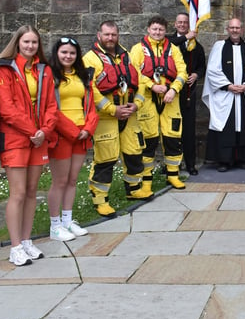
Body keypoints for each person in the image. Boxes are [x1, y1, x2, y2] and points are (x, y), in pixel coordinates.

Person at [0, 25, 58, 266]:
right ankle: (15, 246)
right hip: (15, 138)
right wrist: (33, 131)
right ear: (17, 43)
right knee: (18, 193)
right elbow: (6, 109)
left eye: (34, 42)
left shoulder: (43, 69)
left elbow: (52, 104)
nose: (30, 46)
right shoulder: (3, 68)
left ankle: (27, 240)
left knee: (32, 191)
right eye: (26, 42)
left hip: (38, 138)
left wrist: (46, 130)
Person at [83, 20, 149, 218]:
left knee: (134, 152)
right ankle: (100, 200)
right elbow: (90, 89)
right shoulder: (89, 59)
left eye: (113, 34)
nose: (110, 38)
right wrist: (112, 109)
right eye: (107, 35)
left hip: (130, 113)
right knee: (105, 158)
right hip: (106, 118)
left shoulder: (126, 56)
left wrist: (136, 104)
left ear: (118, 35)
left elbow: (142, 82)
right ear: (99, 35)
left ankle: (134, 189)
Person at [47, 37, 99, 241]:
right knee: (59, 181)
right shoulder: (50, 76)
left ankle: (68, 220)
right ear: (57, 54)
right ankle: (55, 225)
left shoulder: (82, 76)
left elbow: (90, 105)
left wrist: (88, 128)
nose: (68, 56)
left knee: (72, 179)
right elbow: (50, 108)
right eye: (64, 52)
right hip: (61, 134)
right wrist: (72, 131)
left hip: (81, 133)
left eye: (72, 53)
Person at [131, 15, 188, 190]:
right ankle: (146, 181)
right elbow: (133, 72)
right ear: (148, 29)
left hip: (171, 99)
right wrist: (151, 86)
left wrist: (173, 89)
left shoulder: (173, 49)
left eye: (161, 29)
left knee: (173, 138)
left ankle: (173, 175)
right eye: (154, 29)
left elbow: (182, 72)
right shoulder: (138, 49)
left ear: (165, 31)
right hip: (148, 99)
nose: (157, 32)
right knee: (149, 141)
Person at [202, 18, 245, 171]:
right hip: (226, 95)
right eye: (232, 28)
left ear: (242, 30)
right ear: (227, 29)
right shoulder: (219, 46)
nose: (235, 30)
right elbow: (212, 70)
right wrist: (228, 86)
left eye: (237, 28)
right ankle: (224, 161)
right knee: (225, 126)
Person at [169, 12, 206, 177]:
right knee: (171, 131)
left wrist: (197, 74)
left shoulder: (196, 46)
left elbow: (202, 67)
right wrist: (186, 38)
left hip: (189, 93)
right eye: (180, 22)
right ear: (175, 24)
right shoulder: (169, 42)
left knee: (189, 130)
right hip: (171, 92)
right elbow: (169, 45)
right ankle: (172, 165)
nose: (183, 25)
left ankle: (190, 164)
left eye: (185, 22)